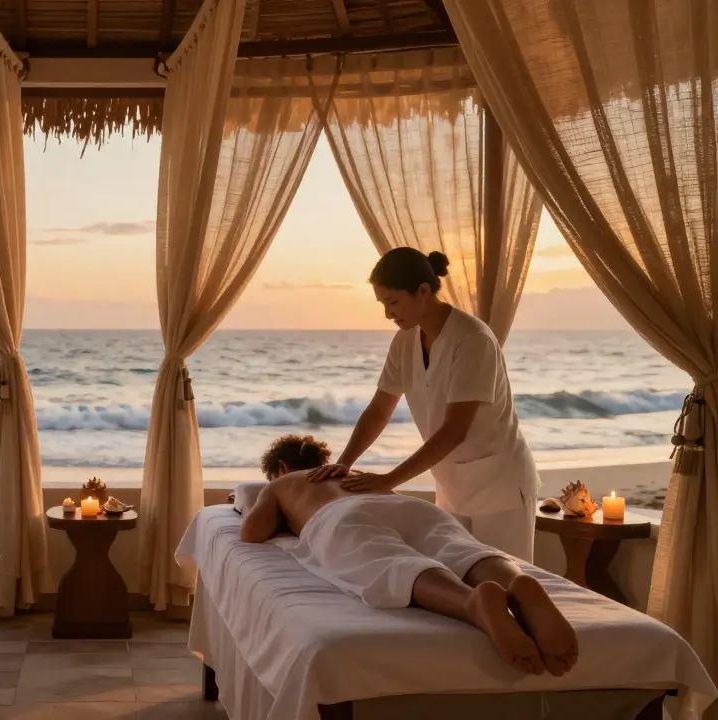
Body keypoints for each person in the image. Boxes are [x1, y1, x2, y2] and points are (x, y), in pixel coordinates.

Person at [242, 435, 577, 678]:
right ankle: (516, 582)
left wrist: (254, 501)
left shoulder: (282, 483)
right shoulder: (351, 474)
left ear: (281, 467)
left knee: (393, 563)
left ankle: (470, 603)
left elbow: (252, 532)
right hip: (406, 506)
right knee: (460, 550)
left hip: (342, 517)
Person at [308, 248, 541, 562]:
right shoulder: (405, 341)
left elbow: (455, 430)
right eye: (383, 304)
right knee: (459, 580)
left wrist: (389, 480)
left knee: (508, 583)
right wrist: (345, 462)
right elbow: (379, 409)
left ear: (422, 291)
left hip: (500, 487)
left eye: (393, 302)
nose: (388, 314)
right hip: (451, 485)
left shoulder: (473, 339)